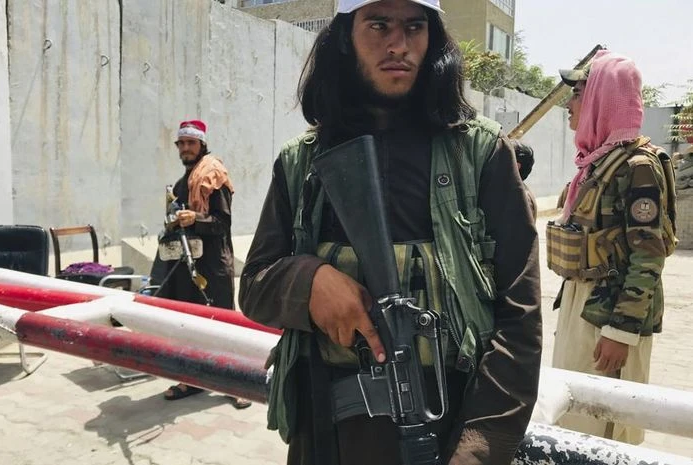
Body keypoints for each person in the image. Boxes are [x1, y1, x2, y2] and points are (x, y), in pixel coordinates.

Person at [239, 1, 542, 463]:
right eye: (378, 25)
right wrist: (310, 282)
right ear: (346, 35)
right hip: (326, 435)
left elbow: (520, 318)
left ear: (432, 38)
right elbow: (256, 284)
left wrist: (478, 449)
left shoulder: (479, 154)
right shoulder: (303, 162)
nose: (398, 45)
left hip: (450, 433)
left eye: (414, 27)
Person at [548, 50, 677, 445]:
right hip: (583, 305)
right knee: (571, 420)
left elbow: (648, 255)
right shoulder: (598, 160)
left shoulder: (637, 165)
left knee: (599, 429)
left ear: (604, 98)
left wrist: (620, 332)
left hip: (610, 316)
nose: (569, 103)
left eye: (579, 92)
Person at [151, 120, 251, 409]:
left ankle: (237, 383)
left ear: (201, 145)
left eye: (190, 143)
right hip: (188, 264)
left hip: (214, 264)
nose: (184, 148)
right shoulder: (184, 182)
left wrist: (195, 219)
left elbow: (223, 222)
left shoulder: (212, 176)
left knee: (223, 324)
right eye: (180, 143)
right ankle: (194, 380)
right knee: (191, 326)